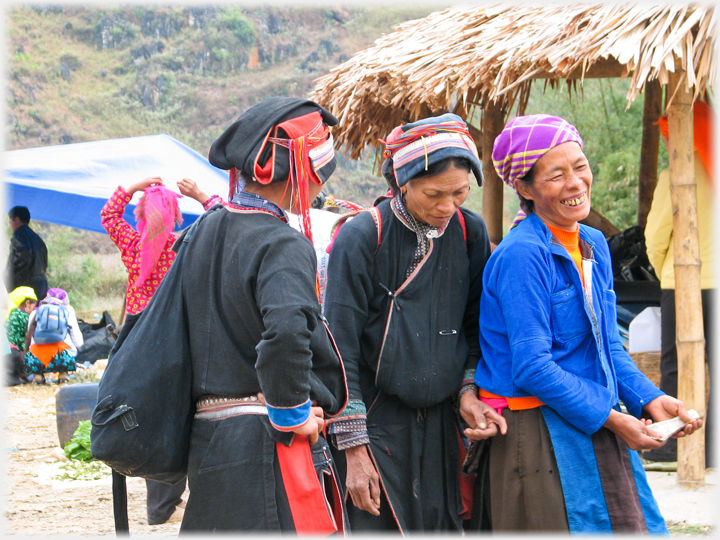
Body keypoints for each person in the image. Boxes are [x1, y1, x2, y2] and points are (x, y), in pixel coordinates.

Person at [468, 114, 702, 533]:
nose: (576, 183)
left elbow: (607, 345)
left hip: (592, 416)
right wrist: (615, 420)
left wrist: (650, 399)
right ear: (524, 188)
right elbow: (532, 368)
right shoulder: (523, 256)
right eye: (556, 174)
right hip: (537, 435)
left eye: (580, 166)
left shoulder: (592, 244)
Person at [323, 113, 504, 532]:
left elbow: (475, 328)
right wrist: (353, 448)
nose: (446, 207)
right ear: (402, 182)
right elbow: (338, 347)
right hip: (375, 421)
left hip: (441, 425)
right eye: (433, 194)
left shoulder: (470, 232)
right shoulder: (364, 237)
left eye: (459, 193)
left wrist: (467, 390)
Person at [175, 97, 347, 532]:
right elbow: (287, 331)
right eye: (318, 178)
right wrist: (292, 411)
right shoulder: (281, 243)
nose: (318, 190)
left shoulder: (203, 231)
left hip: (209, 438)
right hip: (267, 440)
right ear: (302, 173)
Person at [100, 176, 218, 526]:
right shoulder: (180, 246)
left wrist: (133, 187)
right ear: (172, 217)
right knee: (177, 413)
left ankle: (162, 505)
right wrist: (199, 195)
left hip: (134, 342)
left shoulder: (134, 246)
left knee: (149, 413)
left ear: (141, 214)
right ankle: (167, 501)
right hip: (173, 339)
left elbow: (109, 216)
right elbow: (219, 218)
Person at [644, 101, 715, 465]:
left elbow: (655, 236)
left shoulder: (675, 176)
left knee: (674, 367)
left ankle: (673, 445)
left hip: (682, 285)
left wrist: (665, 272)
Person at [23, 287, 83, 384]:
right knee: (66, 349)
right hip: (62, 357)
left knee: (35, 350)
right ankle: (63, 374)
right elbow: (78, 342)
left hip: (36, 357)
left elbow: (29, 337)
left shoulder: (35, 312)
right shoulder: (68, 311)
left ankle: (38, 375)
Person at [5, 206, 49, 302]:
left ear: (16, 219)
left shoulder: (20, 236)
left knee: (22, 316)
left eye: (10, 222)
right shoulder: (37, 239)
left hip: (28, 286)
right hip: (42, 284)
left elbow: (20, 259)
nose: (11, 225)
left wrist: (7, 280)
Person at [4, 285, 37, 385]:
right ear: (27, 303)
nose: (33, 310)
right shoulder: (21, 315)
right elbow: (24, 341)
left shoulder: (8, 312)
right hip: (11, 355)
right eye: (33, 307)